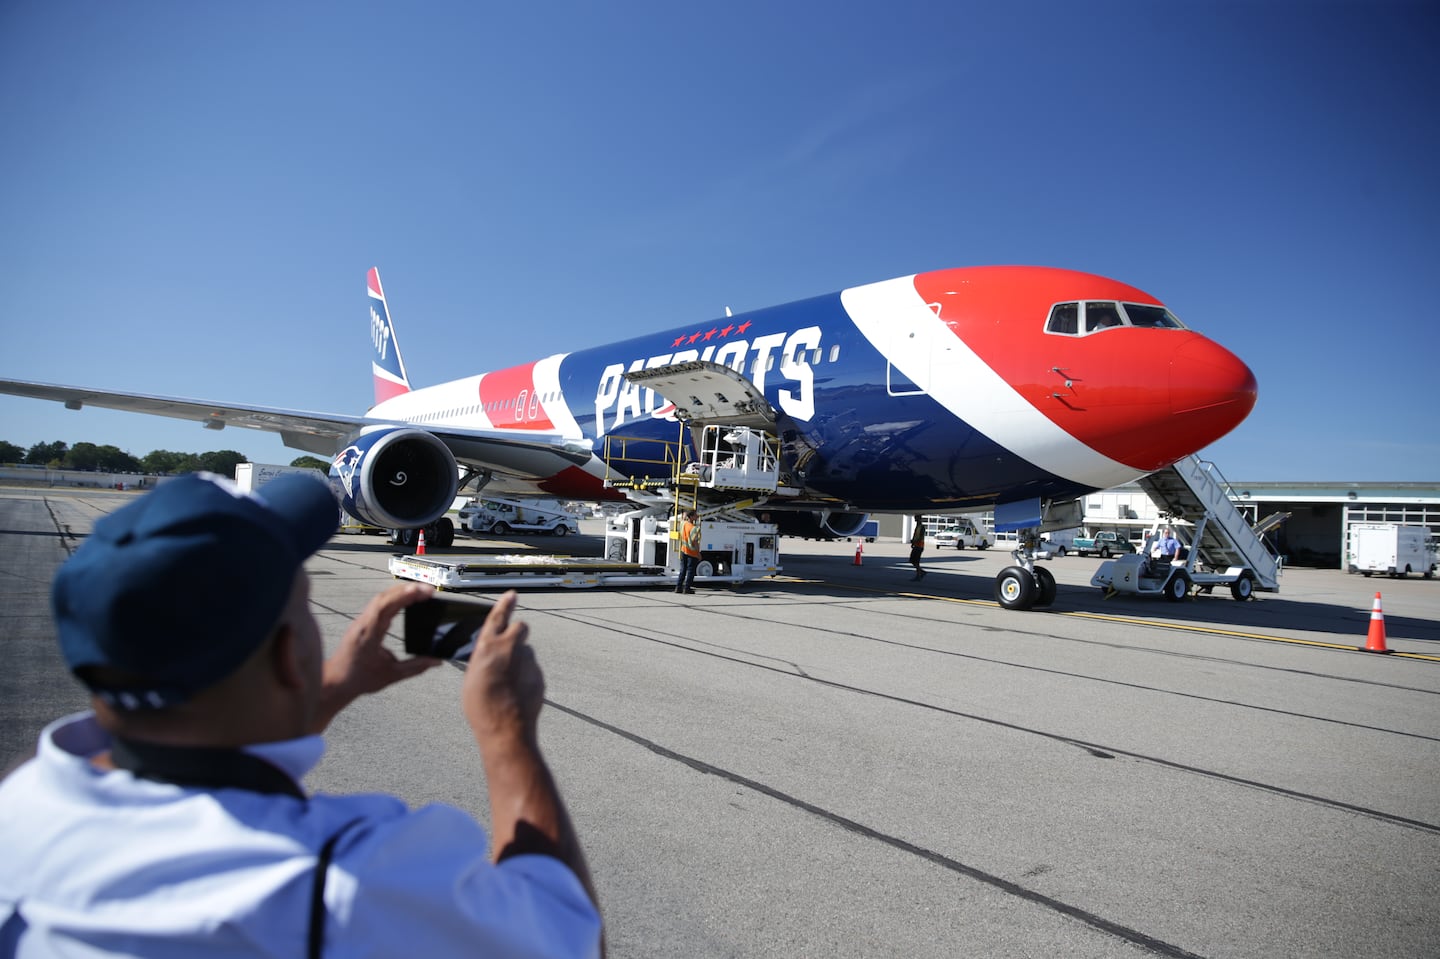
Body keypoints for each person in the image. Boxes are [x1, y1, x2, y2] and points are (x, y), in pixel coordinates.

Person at [0, 472, 601, 958]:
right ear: (290, 655)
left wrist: (330, 689)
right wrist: (507, 730)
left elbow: (193, 751)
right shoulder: (346, 880)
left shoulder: (23, 806)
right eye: (305, 607)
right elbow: (564, 935)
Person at [676, 508, 701, 594]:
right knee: (690, 571)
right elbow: (695, 542)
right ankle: (687, 588)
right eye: (695, 515)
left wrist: (685, 514)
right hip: (692, 552)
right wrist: (698, 553)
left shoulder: (684, 524)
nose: (697, 516)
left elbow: (682, 519)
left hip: (683, 550)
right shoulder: (694, 529)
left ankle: (678, 587)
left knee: (683, 569)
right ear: (691, 517)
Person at [909, 514, 927, 580]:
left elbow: (920, 537)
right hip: (916, 545)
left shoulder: (921, 527)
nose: (915, 519)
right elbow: (915, 535)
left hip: (919, 546)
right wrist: (913, 542)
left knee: (915, 561)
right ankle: (921, 572)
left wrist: (914, 541)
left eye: (916, 518)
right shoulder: (917, 526)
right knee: (912, 560)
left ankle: (919, 575)